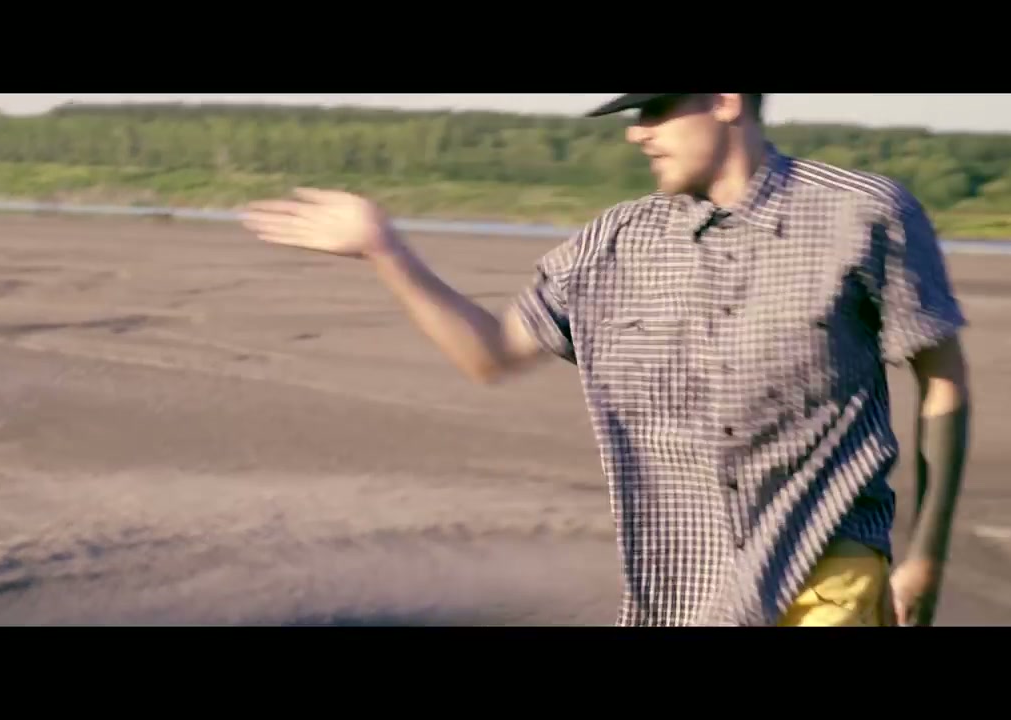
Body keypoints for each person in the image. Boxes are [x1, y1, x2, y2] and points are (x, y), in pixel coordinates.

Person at [240, 93, 971, 627]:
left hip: (826, 573)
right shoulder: (611, 246)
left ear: (726, 101)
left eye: (656, 109)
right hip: (682, 591)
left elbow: (942, 382)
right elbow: (490, 353)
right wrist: (385, 251)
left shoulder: (863, 215)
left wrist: (927, 553)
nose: (637, 132)